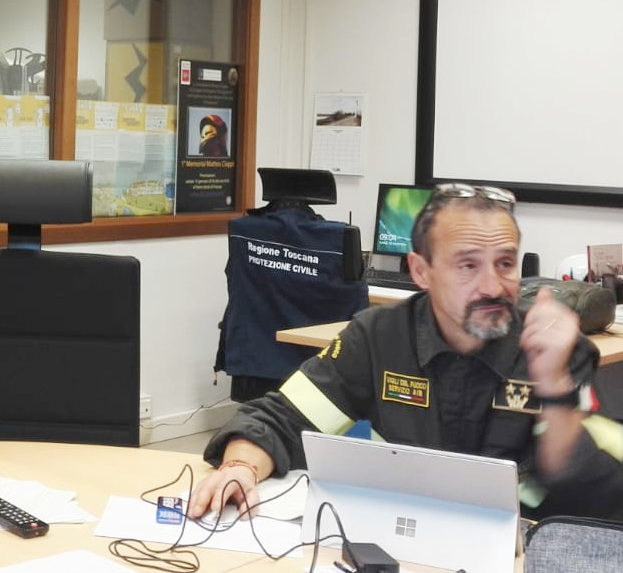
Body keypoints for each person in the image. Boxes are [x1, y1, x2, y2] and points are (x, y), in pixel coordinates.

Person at [188, 182, 623, 523]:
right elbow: (281, 418)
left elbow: (590, 499)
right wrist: (239, 469)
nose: (493, 285)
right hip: (401, 543)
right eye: (468, 265)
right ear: (421, 271)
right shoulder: (378, 338)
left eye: (505, 263)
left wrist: (556, 388)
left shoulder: (556, 350)